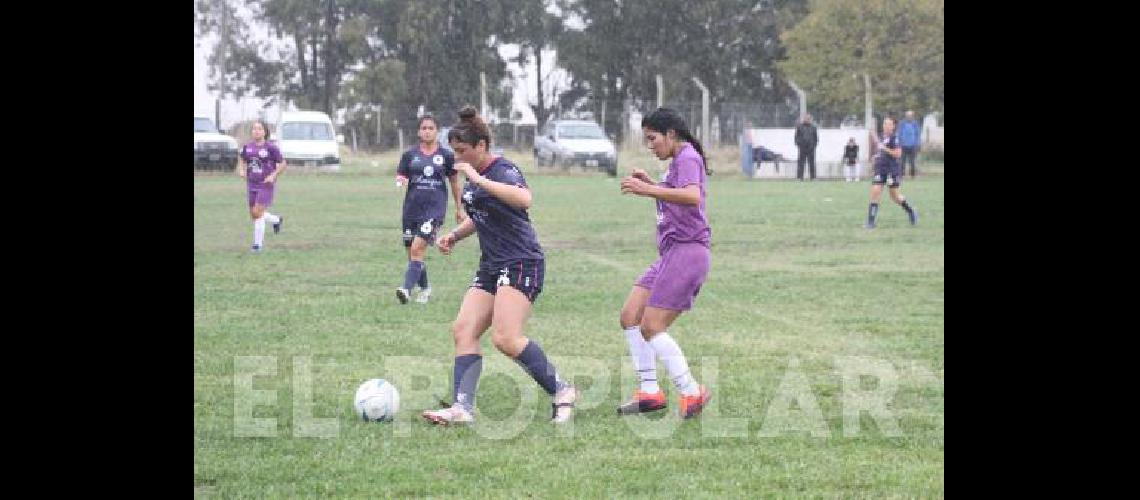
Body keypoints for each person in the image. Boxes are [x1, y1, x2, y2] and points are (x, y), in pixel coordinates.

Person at [421, 105, 578, 425]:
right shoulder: (471, 175)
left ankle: (562, 390)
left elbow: (523, 199)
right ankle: (462, 408)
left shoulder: (503, 170)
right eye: (454, 152)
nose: (458, 158)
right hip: (492, 264)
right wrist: (455, 235)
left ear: (481, 146)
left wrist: (478, 178)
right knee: (463, 330)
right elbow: (481, 215)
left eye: (463, 151)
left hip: (522, 261)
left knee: (506, 338)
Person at [616, 107, 712, 419]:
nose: (650, 145)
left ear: (671, 134)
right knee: (631, 315)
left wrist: (647, 189)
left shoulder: (687, 157)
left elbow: (691, 197)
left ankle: (691, 392)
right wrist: (653, 185)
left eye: (652, 138)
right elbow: (675, 196)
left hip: (687, 252)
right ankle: (649, 392)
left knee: (652, 325)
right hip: (671, 254)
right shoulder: (677, 161)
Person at [394, 115, 465, 304]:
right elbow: (401, 173)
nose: (427, 131)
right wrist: (400, 180)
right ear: (419, 131)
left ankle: (406, 290)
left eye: (431, 128)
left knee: (417, 249)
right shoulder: (410, 155)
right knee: (413, 254)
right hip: (411, 209)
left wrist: (459, 208)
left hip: (434, 211)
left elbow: (454, 182)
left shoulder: (447, 156)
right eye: (424, 128)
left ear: (437, 131)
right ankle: (425, 289)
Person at [237, 120, 285, 252]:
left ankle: (257, 245)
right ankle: (276, 220)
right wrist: (241, 169)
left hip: (266, 184)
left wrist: (273, 175)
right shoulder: (247, 147)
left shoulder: (271, 148)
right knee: (254, 214)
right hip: (251, 183)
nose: (256, 131)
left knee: (257, 212)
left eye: (259, 129)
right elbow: (242, 158)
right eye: (254, 129)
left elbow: (283, 163)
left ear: (264, 132)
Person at [865, 117, 919, 228]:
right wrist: (875, 157)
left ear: (893, 126)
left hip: (891, 170)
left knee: (895, 197)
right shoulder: (881, 137)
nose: (886, 126)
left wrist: (884, 149)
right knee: (875, 192)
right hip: (880, 169)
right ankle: (871, 222)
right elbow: (880, 150)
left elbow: (898, 154)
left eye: (889, 124)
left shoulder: (895, 139)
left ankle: (911, 211)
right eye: (885, 124)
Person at [794, 113, 818, 181]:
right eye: (806, 118)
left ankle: (813, 177)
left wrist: (814, 145)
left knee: (812, 163)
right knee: (801, 163)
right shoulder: (799, 127)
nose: (807, 119)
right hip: (802, 148)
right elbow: (796, 137)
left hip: (811, 148)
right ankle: (800, 177)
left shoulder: (813, 127)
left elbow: (815, 138)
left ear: (810, 119)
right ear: (804, 119)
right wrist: (799, 144)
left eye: (808, 118)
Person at [898, 110, 921, 178]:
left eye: (910, 116)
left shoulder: (915, 124)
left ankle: (912, 175)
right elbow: (899, 133)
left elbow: (917, 134)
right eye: (908, 115)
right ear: (906, 116)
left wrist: (917, 144)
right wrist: (900, 143)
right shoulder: (902, 123)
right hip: (903, 145)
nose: (909, 117)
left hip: (913, 146)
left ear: (912, 116)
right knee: (902, 161)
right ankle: (901, 175)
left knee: (912, 162)